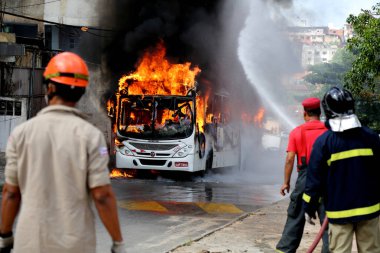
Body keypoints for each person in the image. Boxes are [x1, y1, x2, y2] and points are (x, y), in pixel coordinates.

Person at [0, 52, 126, 253]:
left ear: (49, 87)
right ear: (81, 91)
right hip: (75, 245)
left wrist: (5, 237)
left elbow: (10, 193)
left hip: (30, 244)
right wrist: (117, 243)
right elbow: (102, 195)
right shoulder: (91, 137)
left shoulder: (21, 134)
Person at [303, 87, 380, 253]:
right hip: (370, 209)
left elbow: (314, 181)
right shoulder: (371, 137)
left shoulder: (324, 143)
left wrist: (308, 207)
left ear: (328, 111)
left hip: (339, 211)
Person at [276, 97, 329, 253]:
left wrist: (286, 182)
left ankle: (285, 250)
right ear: (320, 112)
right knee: (328, 221)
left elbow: (290, 158)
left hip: (305, 180)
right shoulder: (329, 131)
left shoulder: (297, 132)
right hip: (326, 179)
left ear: (305, 113)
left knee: (295, 219)